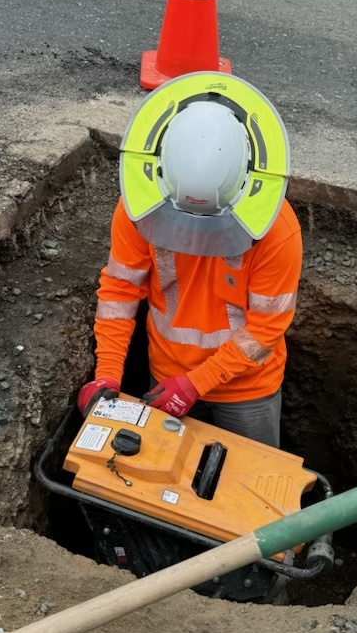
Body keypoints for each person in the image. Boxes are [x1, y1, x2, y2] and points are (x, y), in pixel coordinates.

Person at [77, 72, 301, 449]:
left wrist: (197, 383)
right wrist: (108, 374)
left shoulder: (276, 230)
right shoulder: (139, 209)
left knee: (250, 493)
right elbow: (120, 291)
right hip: (166, 374)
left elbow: (266, 328)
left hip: (248, 390)